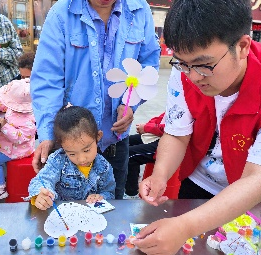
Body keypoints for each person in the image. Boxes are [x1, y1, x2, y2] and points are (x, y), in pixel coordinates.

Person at [133, 0, 261, 255]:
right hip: (199, 183)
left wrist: (185, 226)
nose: (193, 77)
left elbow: (256, 179)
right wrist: (160, 175)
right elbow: (177, 132)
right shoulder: (185, 70)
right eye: (182, 63)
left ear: (242, 47)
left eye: (204, 65)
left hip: (259, 200)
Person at [30, 0, 161, 199]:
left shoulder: (139, 10)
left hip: (115, 141)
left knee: (111, 208)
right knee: (65, 211)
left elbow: (148, 63)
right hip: (71, 143)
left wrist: (130, 103)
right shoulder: (61, 13)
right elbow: (48, 77)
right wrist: (48, 133)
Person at [24, 106, 115, 210]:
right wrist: (41, 195)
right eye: (72, 154)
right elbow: (41, 180)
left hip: (90, 219)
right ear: (62, 145)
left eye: (86, 150)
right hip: (62, 218)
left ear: (98, 136)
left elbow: (109, 193)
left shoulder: (104, 167)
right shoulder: (58, 161)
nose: (81, 159)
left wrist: (102, 197)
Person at [0, 78, 36, 202]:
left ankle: (0, 190)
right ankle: (0, 182)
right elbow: (5, 105)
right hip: (10, 146)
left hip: (18, 150)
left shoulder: (29, 121)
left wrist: (4, 126)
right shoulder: (17, 107)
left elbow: (19, 138)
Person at [0, 52, 36, 161]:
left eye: (28, 77)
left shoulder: (48, 88)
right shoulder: (19, 83)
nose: (24, 81)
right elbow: (5, 99)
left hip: (30, 133)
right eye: (22, 76)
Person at [124, 113, 164, 198]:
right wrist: (147, 126)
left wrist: (146, 128)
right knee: (123, 143)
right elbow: (162, 118)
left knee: (129, 155)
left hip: (169, 143)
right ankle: (132, 178)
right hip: (158, 135)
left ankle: (131, 193)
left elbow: (170, 129)